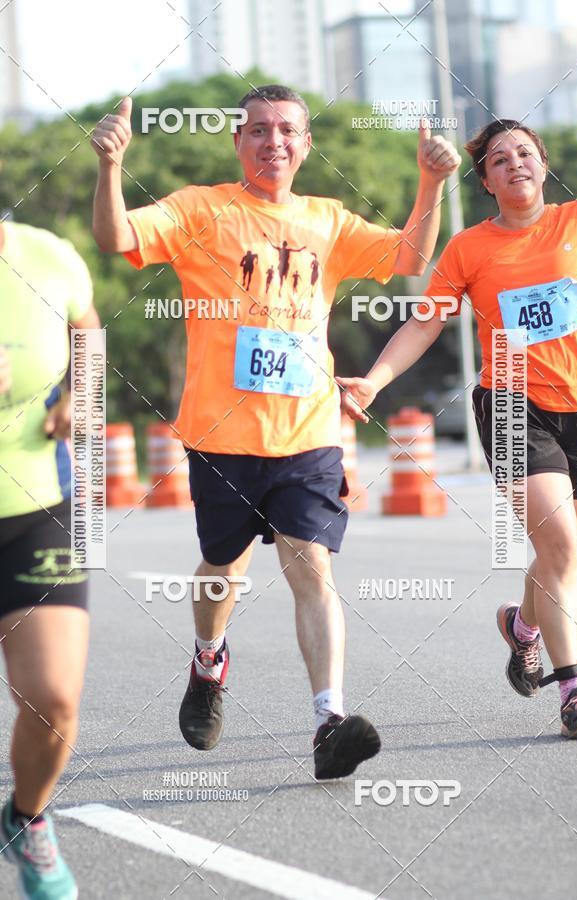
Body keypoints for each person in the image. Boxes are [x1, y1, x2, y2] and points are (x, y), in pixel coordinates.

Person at [90, 84, 460, 778]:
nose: (273, 142)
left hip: (309, 433)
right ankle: (208, 662)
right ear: (239, 143)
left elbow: (410, 256)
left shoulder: (330, 220)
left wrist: (431, 183)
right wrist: (111, 166)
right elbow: (115, 237)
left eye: (287, 130)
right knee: (222, 572)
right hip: (222, 436)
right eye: (258, 130)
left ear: (306, 144)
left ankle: (328, 720)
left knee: (312, 566)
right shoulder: (202, 209)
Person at [339, 119, 577, 740]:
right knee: (560, 548)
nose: (515, 164)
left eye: (526, 154)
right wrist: (375, 379)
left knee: (564, 554)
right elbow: (425, 323)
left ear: (543, 163)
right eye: (501, 160)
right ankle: (574, 690)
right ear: (484, 180)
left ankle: (524, 627)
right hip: (511, 404)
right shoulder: (469, 250)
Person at [0, 219, 100, 898]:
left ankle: (26, 818)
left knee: (55, 699)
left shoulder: (47, 254)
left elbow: (87, 332)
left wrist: (79, 396)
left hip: (40, 504)